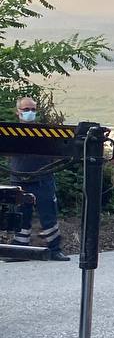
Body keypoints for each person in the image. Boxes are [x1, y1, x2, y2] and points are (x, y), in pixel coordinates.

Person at [6, 97, 69, 261]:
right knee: (20, 216)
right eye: (26, 109)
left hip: (43, 180)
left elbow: (58, 150)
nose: (30, 113)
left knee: (49, 216)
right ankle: (18, 251)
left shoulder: (45, 132)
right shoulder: (9, 132)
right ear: (17, 111)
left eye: (32, 109)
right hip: (19, 180)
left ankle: (55, 250)